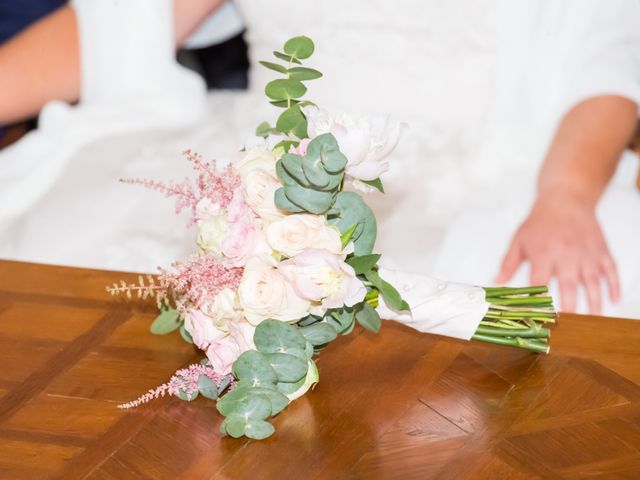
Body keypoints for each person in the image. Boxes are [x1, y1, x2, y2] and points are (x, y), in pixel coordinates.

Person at [0, 0, 638, 317]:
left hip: (477, 175)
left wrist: (567, 193)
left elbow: (604, 69)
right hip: (266, 158)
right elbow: (118, 27)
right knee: (86, 288)